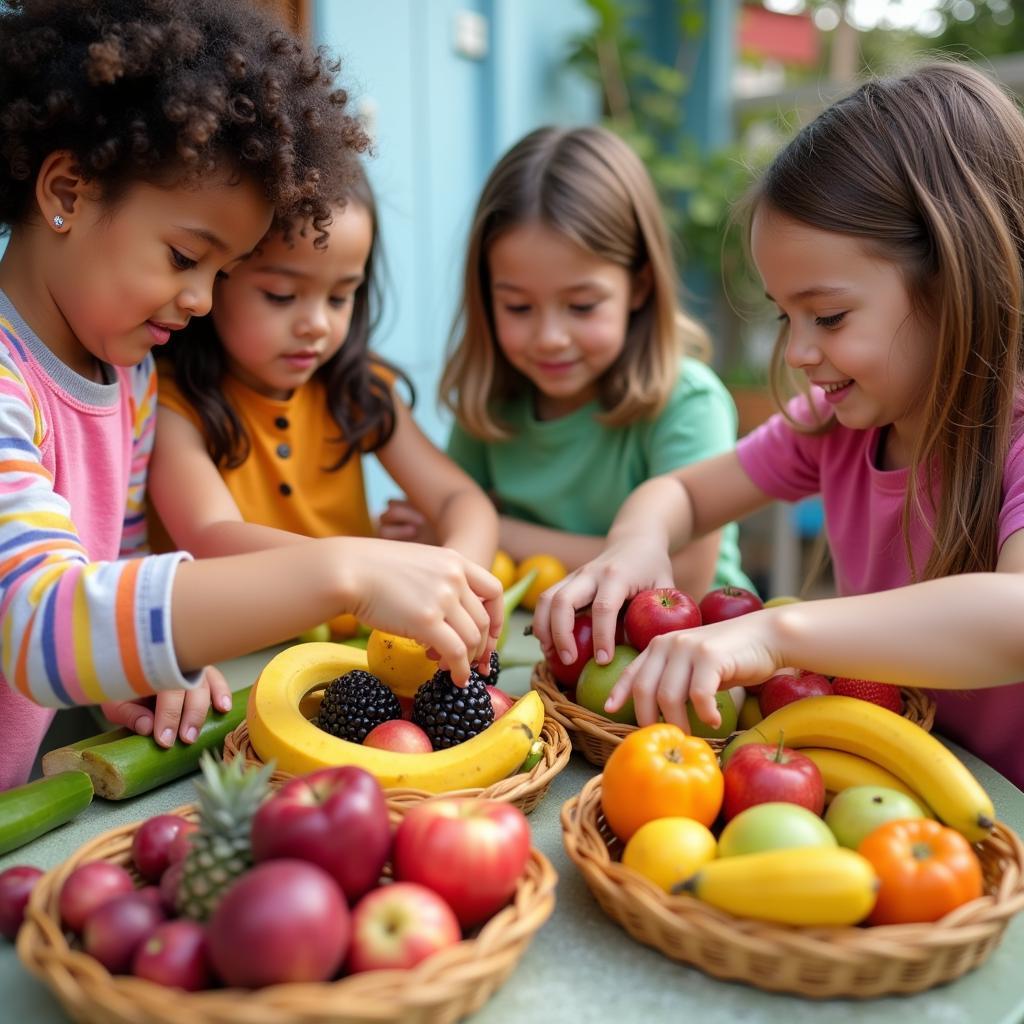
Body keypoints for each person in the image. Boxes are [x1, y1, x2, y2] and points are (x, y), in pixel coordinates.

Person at [0, 0, 500, 791]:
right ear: (66, 189)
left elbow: (113, 573)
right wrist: (348, 572)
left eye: (220, 273)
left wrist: (138, 670)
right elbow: (38, 622)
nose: (200, 300)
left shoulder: (128, 380)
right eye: (183, 256)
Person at [533, 62, 1024, 788]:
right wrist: (635, 544)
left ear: (956, 280)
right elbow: (685, 496)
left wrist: (772, 632)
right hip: (893, 779)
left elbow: (1014, 618)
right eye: (784, 315)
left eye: (828, 316)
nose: (797, 352)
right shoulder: (834, 423)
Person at [378, 125, 752, 599]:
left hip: (687, 653)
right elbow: (441, 528)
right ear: (486, 297)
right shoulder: (491, 405)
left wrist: (492, 529)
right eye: (518, 307)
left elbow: (684, 577)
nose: (550, 339)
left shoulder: (687, 402)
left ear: (638, 286)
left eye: (581, 306)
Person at [148, 161, 497, 577]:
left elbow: (459, 499)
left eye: (339, 298)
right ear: (216, 278)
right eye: (281, 296)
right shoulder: (171, 404)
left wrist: (459, 569)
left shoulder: (355, 388)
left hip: (357, 636)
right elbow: (211, 536)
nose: (317, 324)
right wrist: (377, 570)